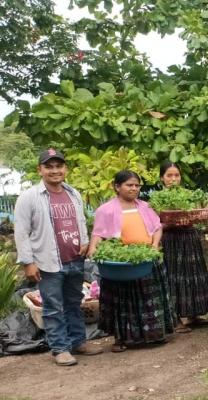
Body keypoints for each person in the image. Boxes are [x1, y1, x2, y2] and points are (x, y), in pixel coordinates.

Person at [14, 148, 103, 366]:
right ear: (40, 170)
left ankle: (78, 342)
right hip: (47, 262)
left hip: (74, 259)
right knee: (53, 306)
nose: (55, 171)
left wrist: (84, 241)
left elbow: (80, 220)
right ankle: (60, 348)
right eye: (49, 166)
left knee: (74, 303)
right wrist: (28, 262)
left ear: (65, 169)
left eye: (59, 166)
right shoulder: (29, 197)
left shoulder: (73, 193)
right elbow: (21, 231)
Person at [89, 170, 174, 352]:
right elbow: (98, 233)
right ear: (117, 187)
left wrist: (154, 245)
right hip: (120, 263)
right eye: (129, 185)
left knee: (149, 298)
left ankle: (154, 335)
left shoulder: (145, 206)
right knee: (121, 301)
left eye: (136, 185)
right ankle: (121, 338)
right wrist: (93, 249)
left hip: (145, 258)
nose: (134, 188)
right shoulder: (106, 210)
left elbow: (157, 227)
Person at [159, 161, 208, 333]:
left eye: (176, 175)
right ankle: (176, 319)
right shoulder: (157, 199)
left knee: (193, 274)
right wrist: (171, 222)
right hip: (171, 240)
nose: (173, 179)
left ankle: (193, 314)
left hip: (190, 237)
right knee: (175, 277)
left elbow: (199, 215)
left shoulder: (189, 195)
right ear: (162, 178)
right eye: (169, 175)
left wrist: (197, 217)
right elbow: (156, 224)